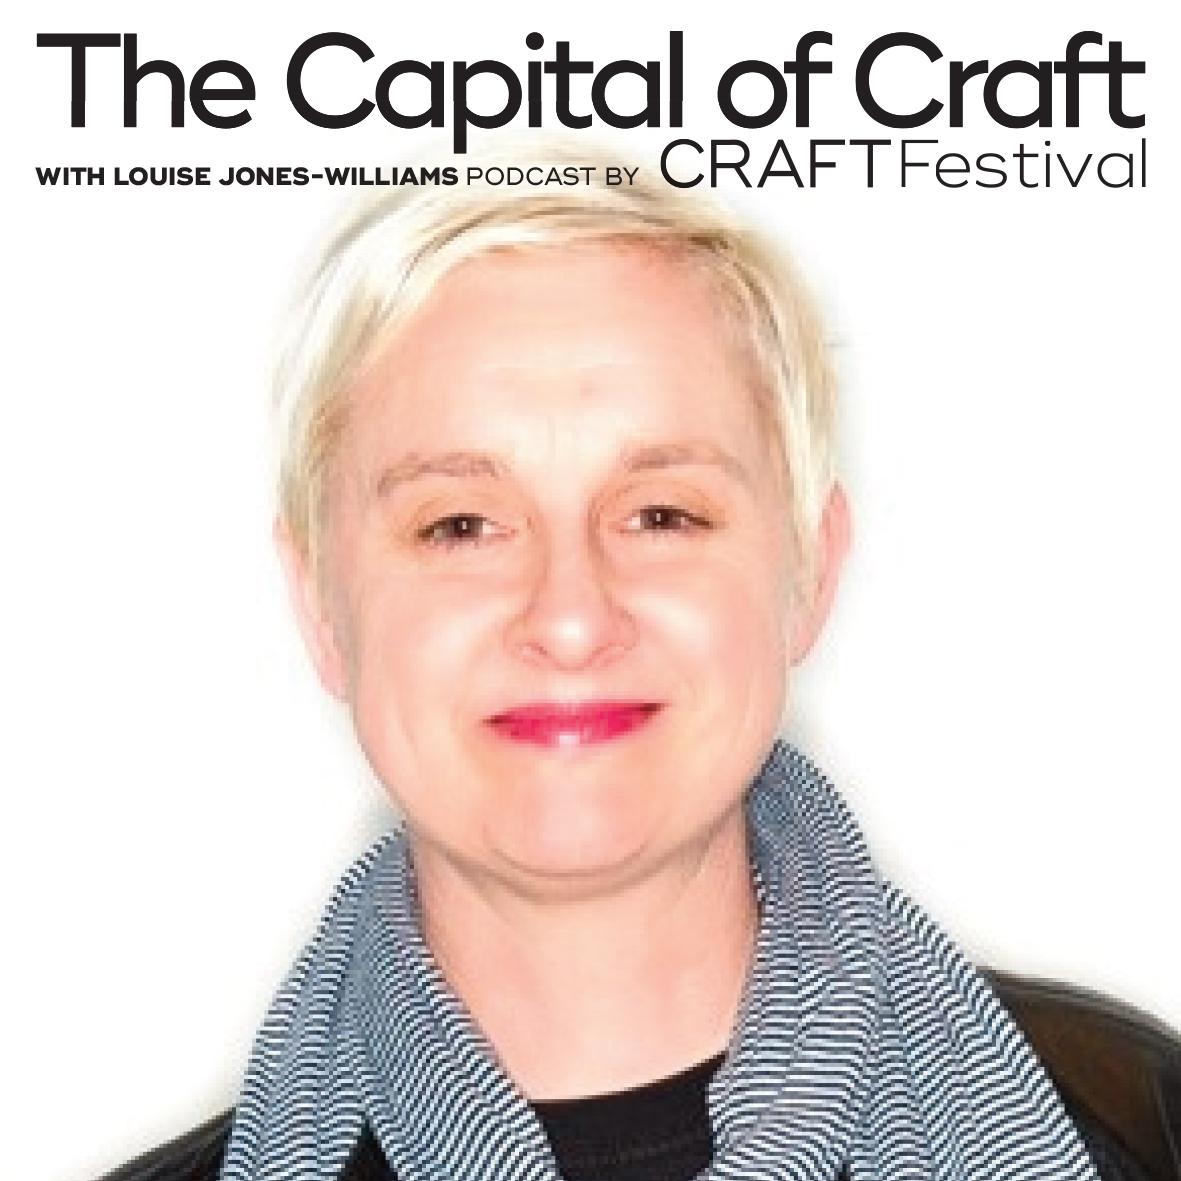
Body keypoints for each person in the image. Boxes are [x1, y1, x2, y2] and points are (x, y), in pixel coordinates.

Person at [103, 144, 1177, 1181]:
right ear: (320, 609)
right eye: (460, 525)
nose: (571, 618)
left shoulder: (1142, 1128)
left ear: (808, 570)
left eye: (661, 513)